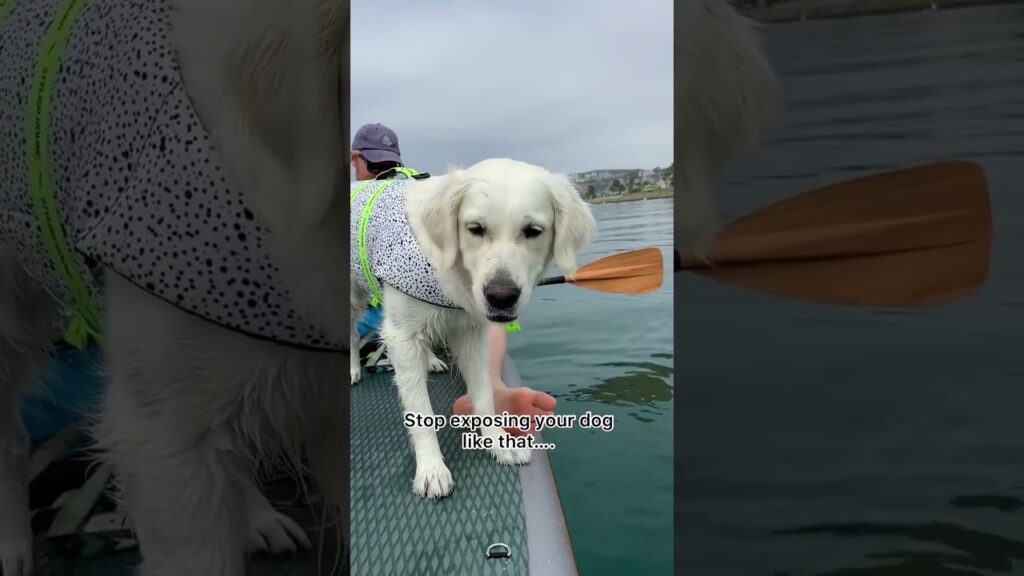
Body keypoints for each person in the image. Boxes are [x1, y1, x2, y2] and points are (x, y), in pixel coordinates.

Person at [350, 123, 555, 433]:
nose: (381, 172)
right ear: (355, 160)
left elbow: (483, 321)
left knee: (468, 319)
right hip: (375, 305)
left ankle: (484, 394)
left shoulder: (445, 211)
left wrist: (493, 387)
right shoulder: (366, 207)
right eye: (376, 165)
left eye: (387, 165)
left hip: (416, 308)